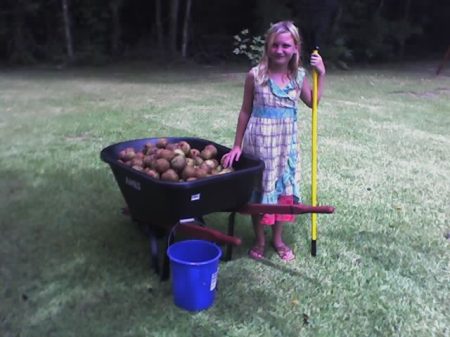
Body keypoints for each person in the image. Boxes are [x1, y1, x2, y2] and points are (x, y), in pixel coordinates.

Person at [222, 21, 326, 262]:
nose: (280, 50)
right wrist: (237, 144)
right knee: (260, 191)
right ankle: (259, 239)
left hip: (285, 146)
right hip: (258, 144)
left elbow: (313, 103)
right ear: (267, 46)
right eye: (275, 45)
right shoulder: (255, 75)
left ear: (295, 48)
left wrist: (322, 74)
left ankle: (277, 239)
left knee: (281, 193)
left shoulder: (299, 76)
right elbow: (245, 111)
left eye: (286, 46)